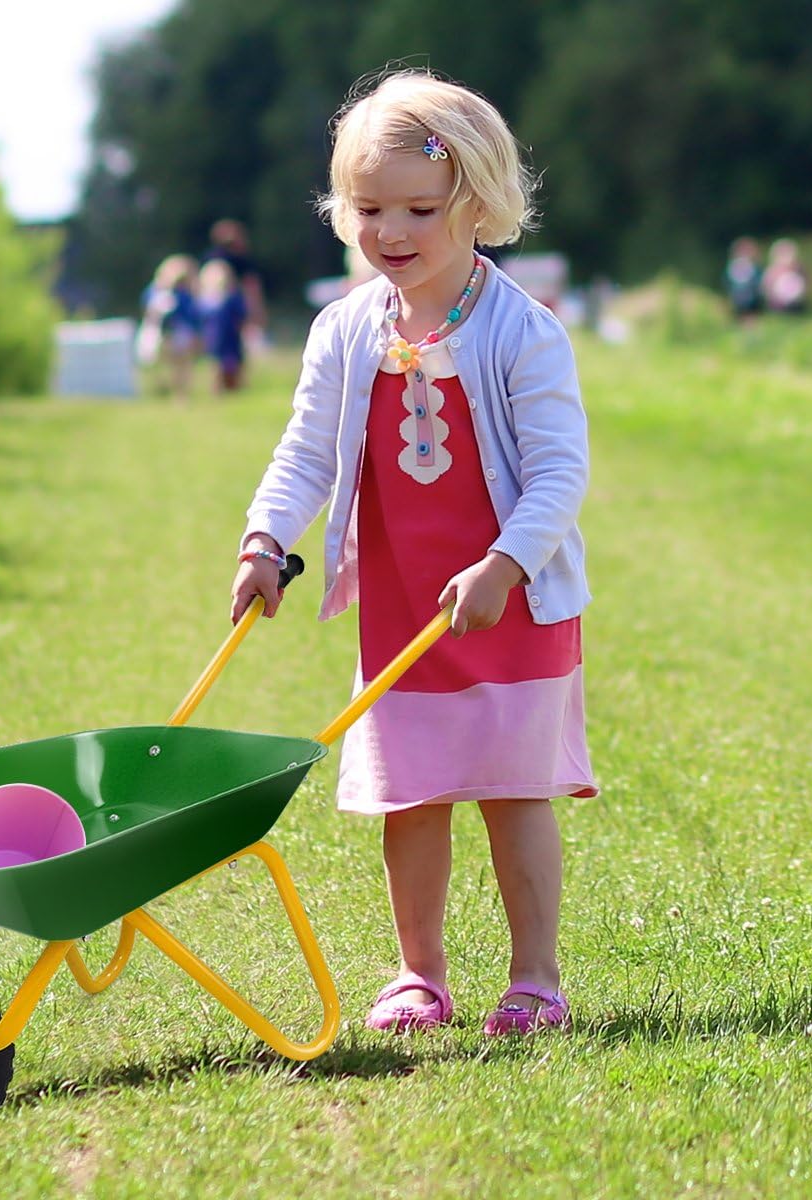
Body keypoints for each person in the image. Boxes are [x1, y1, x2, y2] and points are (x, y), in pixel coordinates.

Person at [229, 69, 596, 1037]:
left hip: (510, 603)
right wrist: (265, 539)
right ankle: (418, 974)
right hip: (404, 608)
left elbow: (560, 473)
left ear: (476, 203)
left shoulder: (523, 333)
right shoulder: (346, 331)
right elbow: (306, 451)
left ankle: (535, 980)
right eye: (369, 209)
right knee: (413, 793)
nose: (391, 231)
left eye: (419, 210)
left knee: (514, 792)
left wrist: (506, 565)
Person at [136, 254, 201, 402]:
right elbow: (148, 310)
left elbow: (191, 314)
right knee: (154, 363)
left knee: (181, 363)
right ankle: (160, 389)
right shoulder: (154, 291)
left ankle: (180, 392)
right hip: (158, 332)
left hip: (178, 332)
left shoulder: (183, 294)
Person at [202, 219, 268, 355]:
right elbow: (251, 286)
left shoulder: (209, 258)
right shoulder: (241, 262)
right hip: (233, 304)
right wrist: (256, 310)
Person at [197, 257, 248, 391]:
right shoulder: (207, 299)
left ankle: (233, 387)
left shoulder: (231, 297)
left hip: (228, 336)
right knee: (218, 365)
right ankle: (220, 388)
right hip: (217, 337)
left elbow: (241, 316)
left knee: (231, 364)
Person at [760, 237, 808, 315]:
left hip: (797, 303)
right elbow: (766, 288)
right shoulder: (772, 271)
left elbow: (806, 284)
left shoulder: (799, 269)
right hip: (778, 304)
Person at [723, 237, 763, 322]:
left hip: (751, 299)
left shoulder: (754, 268)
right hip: (739, 298)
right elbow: (727, 282)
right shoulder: (733, 267)